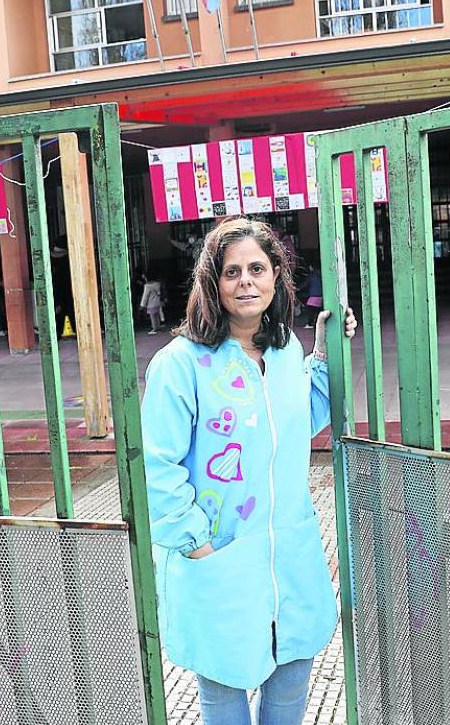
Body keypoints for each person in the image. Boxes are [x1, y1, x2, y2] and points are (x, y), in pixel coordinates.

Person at [140, 218, 357, 725]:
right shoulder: (180, 364)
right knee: (224, 689)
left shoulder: (285, 353)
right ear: (212, 283)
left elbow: (299, 419)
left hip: (289, 555)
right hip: (220, 557)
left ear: (277, 276)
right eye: (231, 271)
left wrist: (326, 349)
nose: (246, 281)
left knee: (292, 678)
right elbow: (158, 467)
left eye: (257, 268)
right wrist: (199, 544)